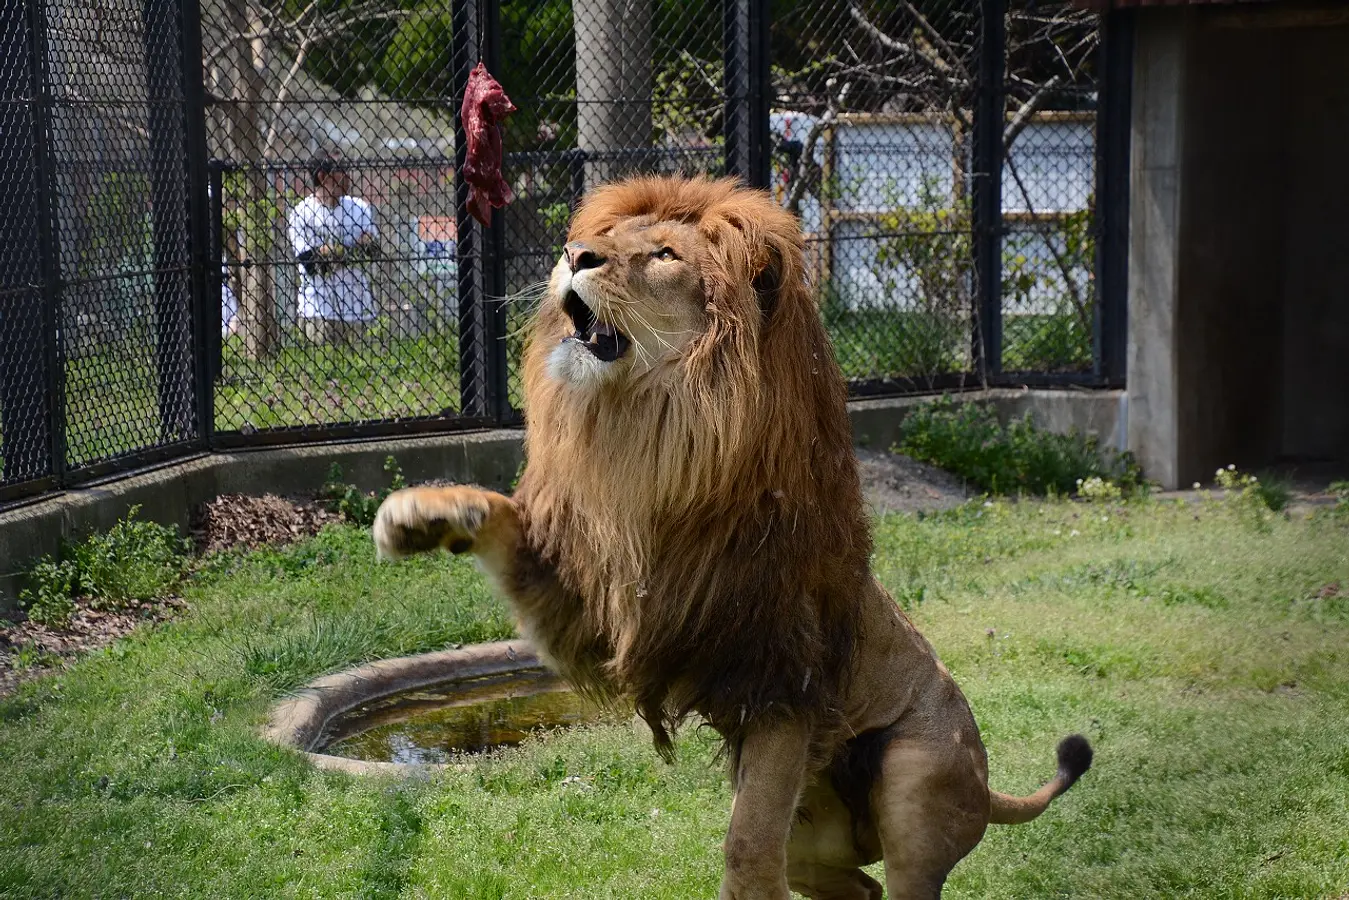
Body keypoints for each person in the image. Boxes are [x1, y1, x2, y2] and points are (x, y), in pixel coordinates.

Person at [287, 154, 381, 344]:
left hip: (358, 309)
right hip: (318, 311)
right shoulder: (301, 213)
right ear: (323, 176)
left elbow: (373, 251)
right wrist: (353, 247)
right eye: (341, 171)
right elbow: (312, 264)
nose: (348, 176)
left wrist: (331, 251)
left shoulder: (359, 207)